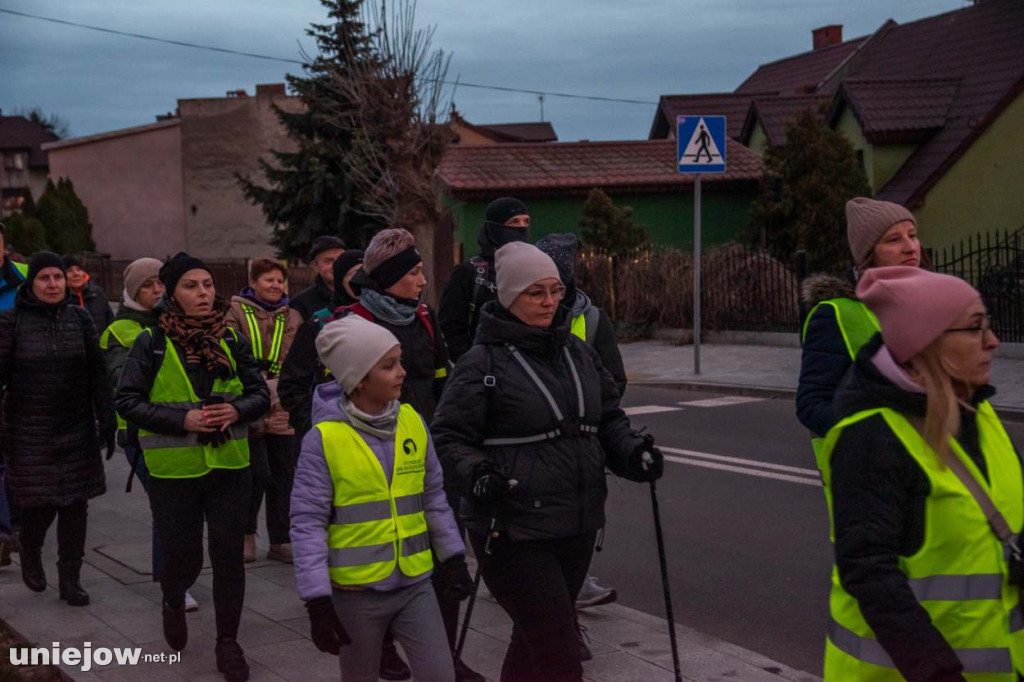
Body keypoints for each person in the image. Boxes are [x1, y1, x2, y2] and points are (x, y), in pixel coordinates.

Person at [432, 242, 665, 682]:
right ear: (508, 297)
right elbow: (449, 436)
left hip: (576, 524)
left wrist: (634, 453)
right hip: (512, 530)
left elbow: (608, 418)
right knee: (560, 657)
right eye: (535, 293)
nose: (549, 302)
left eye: (555, 290)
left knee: (531, 645)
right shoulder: (481, 363)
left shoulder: (577, 353)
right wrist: (479, 476)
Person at [820, 266, 1023, 681]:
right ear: (928, 343)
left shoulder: (978, 412)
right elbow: (870, 571)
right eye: (976, 327)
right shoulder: (871, 438)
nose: (993, 341)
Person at [291, 315, 474, 682]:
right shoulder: (323, 440)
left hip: (416, 584)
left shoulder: (412, 421)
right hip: (355, 593)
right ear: (358, 379)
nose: (402, 372)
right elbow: (307, 524)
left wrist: (452, 558)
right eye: (389, 366)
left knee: (441, 675)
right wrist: (317, 602)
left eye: (400, 361)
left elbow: (433, 497)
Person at [116, 252, 269, 682]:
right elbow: (127, 402)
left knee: (228, 557)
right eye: (190, 286)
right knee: (183, 557)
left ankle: (228, 643)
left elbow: (259, 393)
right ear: (171, 293)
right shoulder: (151, 342)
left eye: (207, 285)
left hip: (230, 467)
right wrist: (182, 420)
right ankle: (172, 597)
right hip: (174, 472)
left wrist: (236, 411)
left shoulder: (231, 339)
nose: (203, 293)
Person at [0, 252, 116, 606]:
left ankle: (71, 578)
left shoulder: (78, 318)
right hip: (29, 428)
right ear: (31, 284)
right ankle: (31, 549)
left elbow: (97, 372)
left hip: (76, 426)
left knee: (75, 506)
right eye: (44, 278)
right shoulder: (11, 321)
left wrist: (107, 417)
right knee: (38, 504)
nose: (53, 284)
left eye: (58, 278)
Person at [100, 257, 202, 610]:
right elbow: (121, 382)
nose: (156, 290)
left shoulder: (181, 323)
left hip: (185, 428)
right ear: (132, 291)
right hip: (142, 435)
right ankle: (171, 583)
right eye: (148, 285)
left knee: (185, 509)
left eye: (161, 283)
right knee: (169, 509)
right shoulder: (120, 331)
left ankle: (179, 575)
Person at [797, 198, 921, 458]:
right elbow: (812, 403)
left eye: (913, 235)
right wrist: (872, 439)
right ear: (868, 254)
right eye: (894, 240)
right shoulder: (837, 314)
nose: (910, 247)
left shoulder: (933, 303)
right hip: (879, 473)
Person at [225, 259, 302, 564]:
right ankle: (247, 534)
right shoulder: (234, 312)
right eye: (268, 280)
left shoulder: (293, 315)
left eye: (280, 281)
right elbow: (230, 352)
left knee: (283, 475)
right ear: (253, 282)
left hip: (282, 404)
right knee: (257, 474)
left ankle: (280, 540)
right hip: (251, 401)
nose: (275, 286)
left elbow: (296, 358)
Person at [438, 197, 530, 362]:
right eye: (514, 222)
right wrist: (472, 364)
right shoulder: (469, 273)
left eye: (526, 221)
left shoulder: (531, 269)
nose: (522, 228)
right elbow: (451, 327)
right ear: (494, 228)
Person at [0, 222, 28, 566]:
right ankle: (4, 532)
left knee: (18, 460)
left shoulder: (25, 278)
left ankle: (18, 526)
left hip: (22, 383)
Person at [292, 236, 346, 321]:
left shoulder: (360, 296)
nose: (336, 265)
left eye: (341, 259)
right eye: (329, 261)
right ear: (315, 266)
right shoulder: (300, 304)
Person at [63, 255, 114, 334]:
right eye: (69, 271)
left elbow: (111, 322)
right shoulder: (60, 298)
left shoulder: (97, 293)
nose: (76, 273)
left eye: (78, 269)